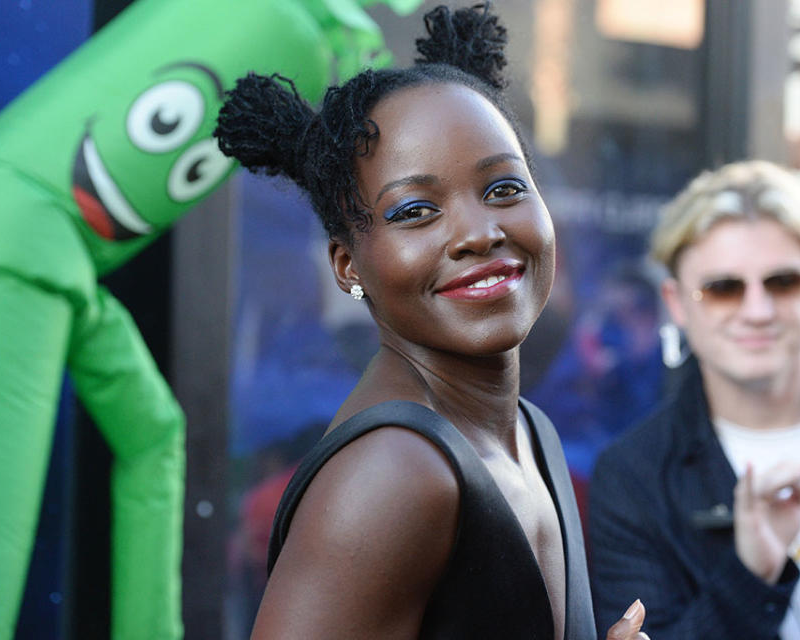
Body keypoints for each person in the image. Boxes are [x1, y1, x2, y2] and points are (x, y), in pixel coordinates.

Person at [214, 5, 648, 639]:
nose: (479, 232)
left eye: (504, 189)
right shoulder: (392, 474)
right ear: (346, 263)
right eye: (416, 210)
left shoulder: (531, 433)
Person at [588, 160, 800, 639]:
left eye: (783, 282)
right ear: (676, 304)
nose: (756, 310)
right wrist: (751, 575)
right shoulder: (633, 478)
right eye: (723, 288)